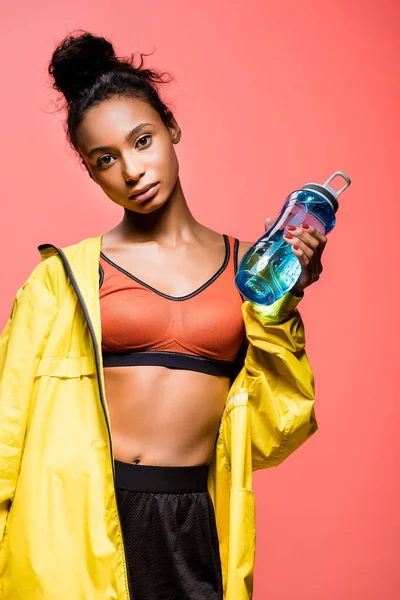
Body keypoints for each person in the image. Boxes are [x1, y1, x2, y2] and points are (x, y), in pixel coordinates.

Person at [0, 31, 323, 600]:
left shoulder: (249, 272)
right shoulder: (63, 278)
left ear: (171, 129)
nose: (132, 170)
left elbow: (277, 431)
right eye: (106, 159)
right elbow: (4, 432)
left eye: (142, 140)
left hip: (193, 520)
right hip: (76, 524)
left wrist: (282, 306)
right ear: (91, 171)